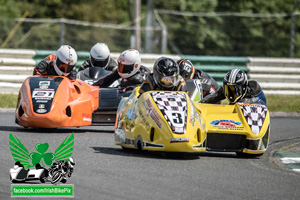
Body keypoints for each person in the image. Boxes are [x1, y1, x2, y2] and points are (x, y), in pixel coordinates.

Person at [201, 69, 267, 106]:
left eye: (234, 89)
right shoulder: (224, 90)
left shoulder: (253, 89)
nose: (230, 93)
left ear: (243, 87)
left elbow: (259, 104)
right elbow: (209, 99)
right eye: (228, 88)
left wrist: (240, 103)